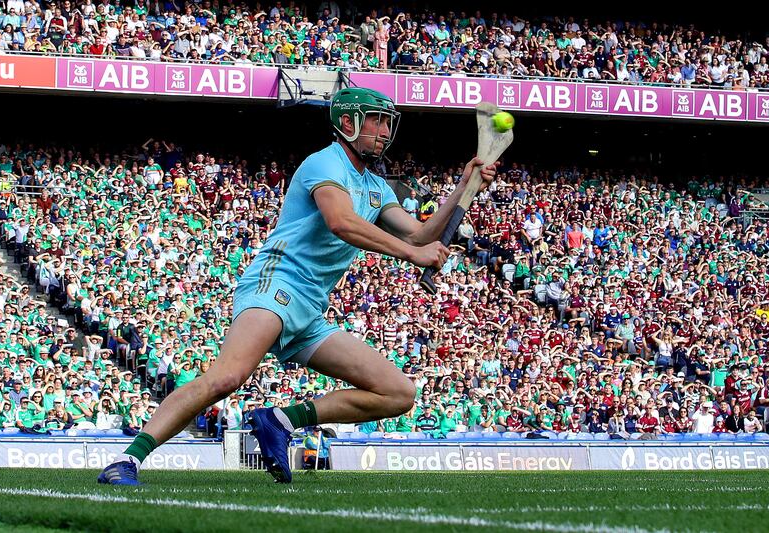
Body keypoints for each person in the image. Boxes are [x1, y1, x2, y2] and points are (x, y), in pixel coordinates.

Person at [97, 87, 497, 485]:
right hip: (277, 282)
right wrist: (412, 255)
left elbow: (421, 235)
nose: (384, 130)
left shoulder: (377, 187)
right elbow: (341, 221)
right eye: (376, 120)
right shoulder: (324, 163)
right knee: (226, 378)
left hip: (309, 307)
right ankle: (127, 460)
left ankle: (280, 420)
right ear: (347, 123)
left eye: (387, 122)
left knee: (397, 393)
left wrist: (464, 186)